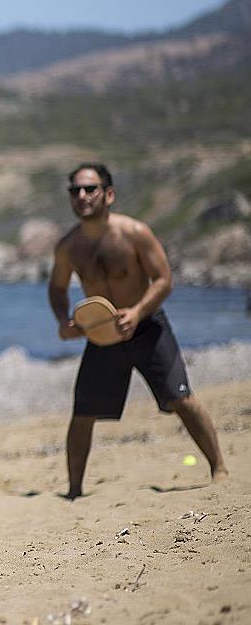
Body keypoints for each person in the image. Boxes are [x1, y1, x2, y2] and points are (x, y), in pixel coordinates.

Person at [48, 162, 228, 500]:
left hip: (147, 327)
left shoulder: (134, 233)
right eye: (76, 191)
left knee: (181, 398)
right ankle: (74, 490)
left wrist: (138, 311)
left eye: (90, 189)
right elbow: (57, 289)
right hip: (102, 334)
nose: (82, 196)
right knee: (83, 412)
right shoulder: (69, 246)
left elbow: (163, 280)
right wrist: (63, 320)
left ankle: (218, 467)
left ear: (109, 194)